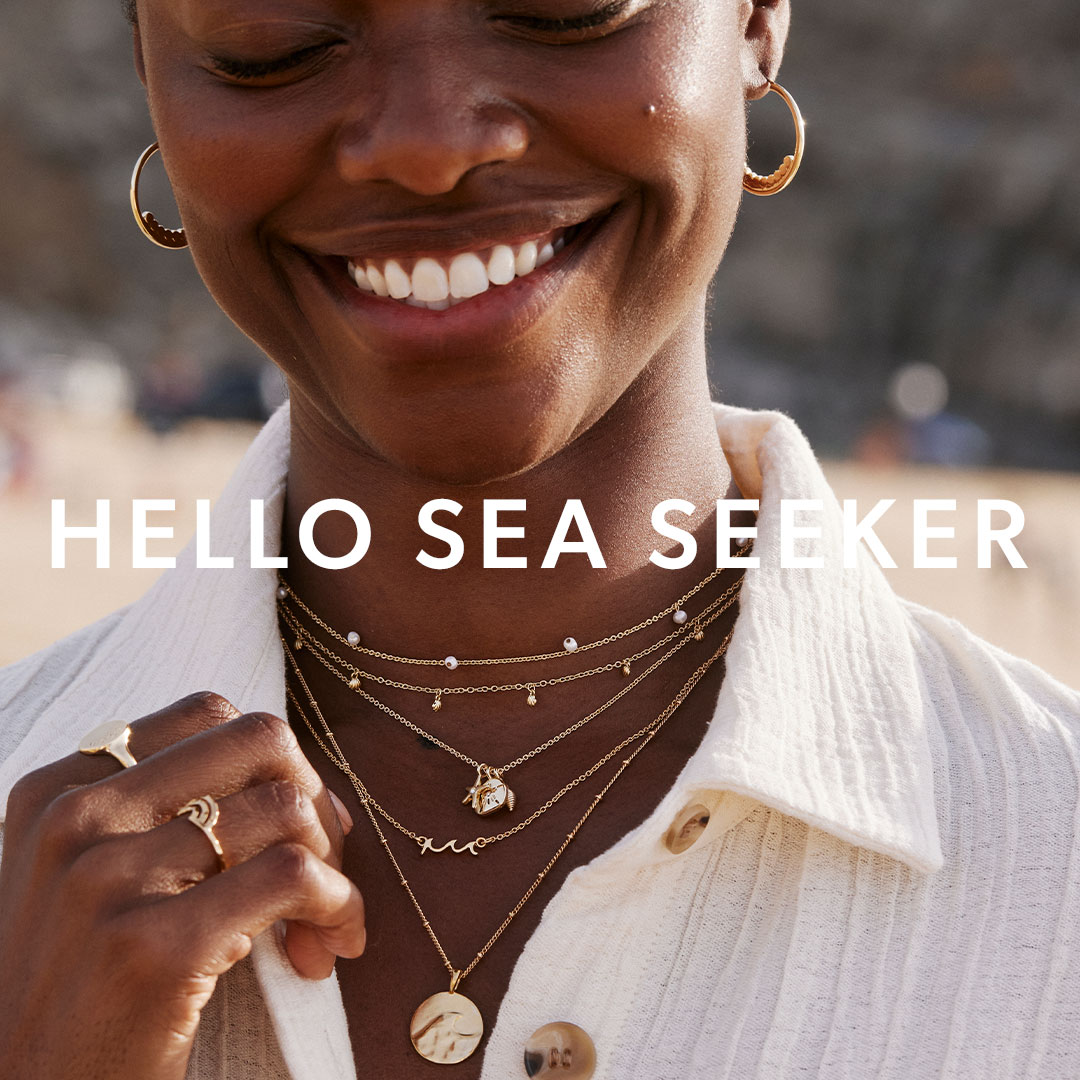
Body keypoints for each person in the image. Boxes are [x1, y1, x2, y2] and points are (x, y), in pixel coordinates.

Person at [1, 2, 1077, 1078]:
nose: (429, 143)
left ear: (754, 18)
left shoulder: (1050, 859)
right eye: (273, 34)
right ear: (152, 69)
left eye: (563, 6)